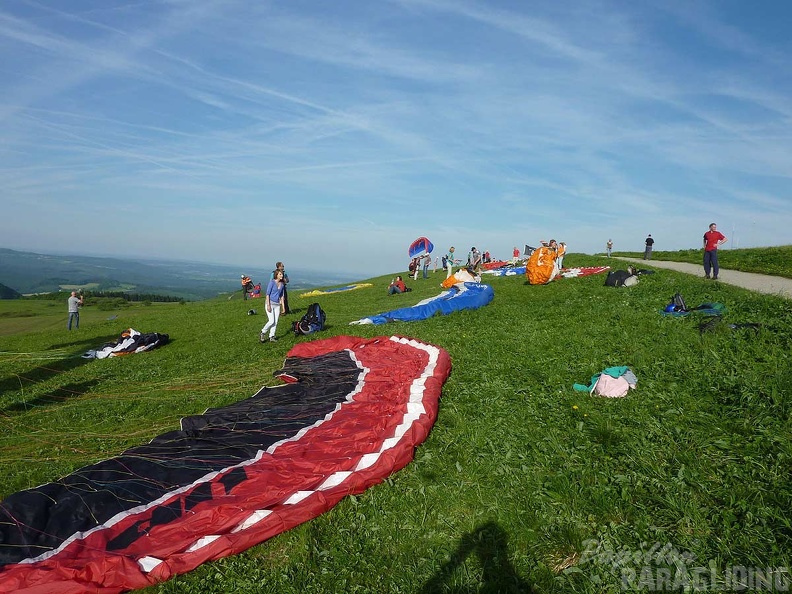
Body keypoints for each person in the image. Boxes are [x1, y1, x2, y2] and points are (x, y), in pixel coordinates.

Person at [259, 270, 286, 343]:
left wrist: (283, 308)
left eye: (282, 274)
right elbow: (267, 294)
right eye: (280, 274)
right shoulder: (272, 282)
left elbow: (281, 297)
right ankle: (263, 332)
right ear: (276, 275)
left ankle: (272, 336)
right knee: (271, 321)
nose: (282, 276)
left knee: (275, 322)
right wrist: (268, 305)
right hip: (270, 303)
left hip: (277, 305)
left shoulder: (282, 284)